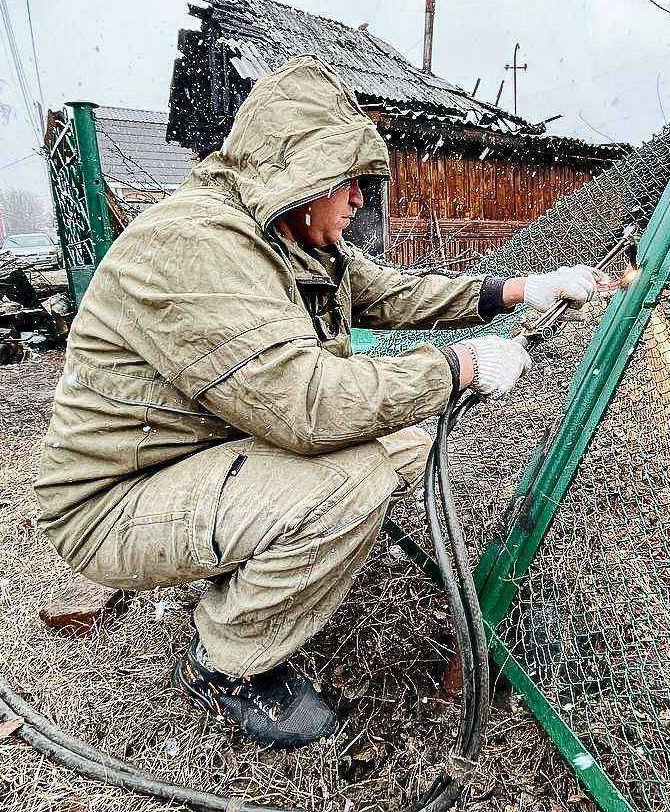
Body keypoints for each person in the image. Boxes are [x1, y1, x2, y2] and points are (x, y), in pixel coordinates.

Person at [34, 56, 611, 747]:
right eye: (350, 181)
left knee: (405, 445)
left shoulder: (291, 237)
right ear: (297, 170)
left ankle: (279, 565)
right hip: (112, 504)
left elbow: (395, 293)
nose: (361, 201)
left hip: (195, 460)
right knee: (354, 476)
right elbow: (310, 409)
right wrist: (462, 365)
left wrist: (520, 289)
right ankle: (224, 664)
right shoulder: (191, 248)